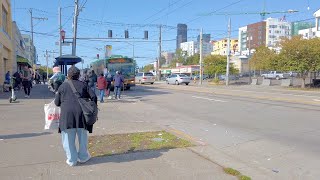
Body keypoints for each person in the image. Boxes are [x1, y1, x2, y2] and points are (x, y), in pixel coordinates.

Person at [54, 66, 97, 167]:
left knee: (68, 139)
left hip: (67, 116)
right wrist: (92, 107)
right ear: (78, 75)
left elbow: (56, 102)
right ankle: (83, 157)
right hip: (82, 115)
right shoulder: (84, 85)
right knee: (83, 138)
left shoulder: (63, 86)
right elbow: (94, 96)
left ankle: (72, 160)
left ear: (68, 75)